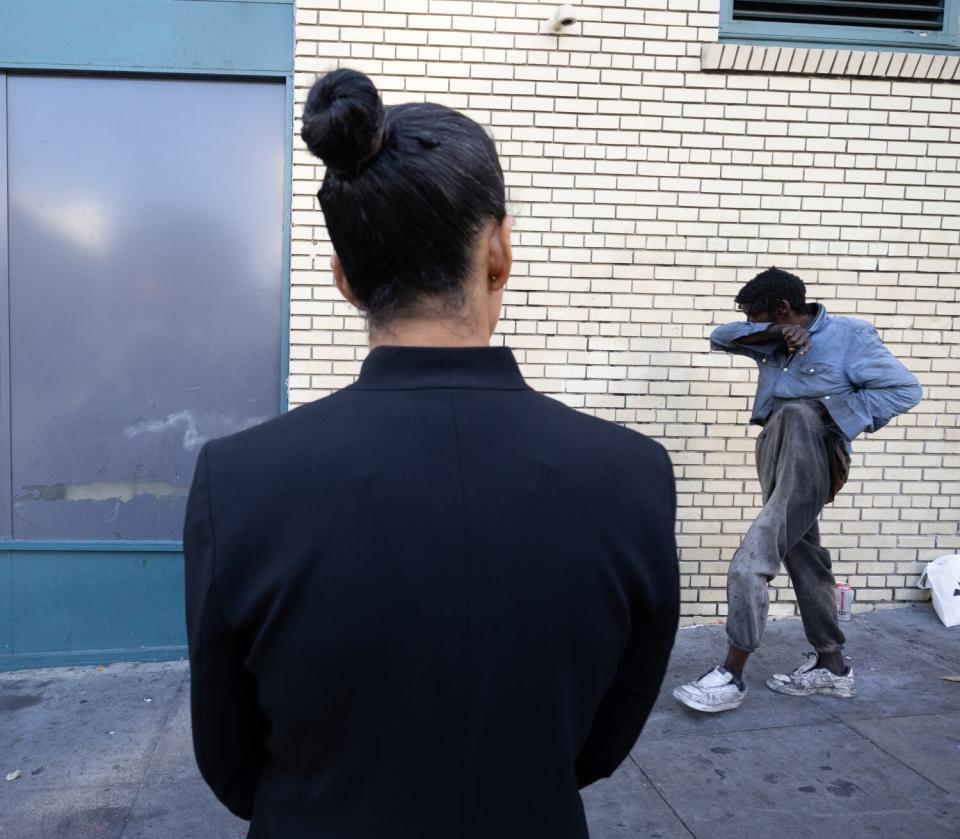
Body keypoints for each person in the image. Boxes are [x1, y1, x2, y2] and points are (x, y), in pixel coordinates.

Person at [184, 68, 679, 839]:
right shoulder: (633, 474)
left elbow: (230, 757)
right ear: (498, 250)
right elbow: (602, 742)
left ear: (345, 279)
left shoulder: (238, 478)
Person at [673, 267, 922, 713]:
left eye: (758, 315)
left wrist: (824, 412)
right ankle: (832, 665)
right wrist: (774, 332)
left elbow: (905, 389)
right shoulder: (771, 338)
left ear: (785, 306)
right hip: (775, 449)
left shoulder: (850, 335)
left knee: (755, 557)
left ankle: (732, 674)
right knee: (804, 555)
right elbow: (720, 336)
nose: (750, 323)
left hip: (815, 451)